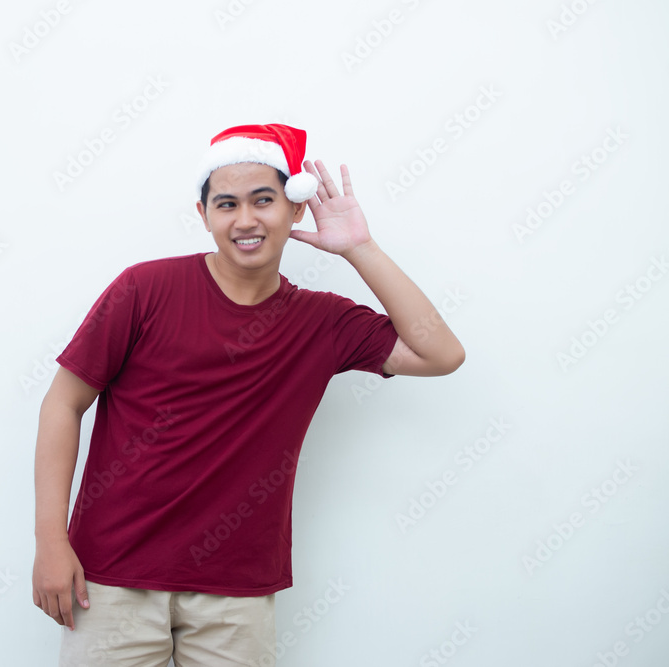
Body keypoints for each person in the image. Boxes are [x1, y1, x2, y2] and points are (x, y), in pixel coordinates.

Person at [32, 123, 465, 666]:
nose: (245, 220)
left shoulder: (322, 321)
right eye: (227, 204)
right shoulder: (144, 290)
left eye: (264, 200)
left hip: (237, 587)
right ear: (204, 215)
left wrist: (360, 247)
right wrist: (51, 540)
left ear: (295, 209)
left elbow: (440, 354)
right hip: (113, 575)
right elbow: (63, 403)